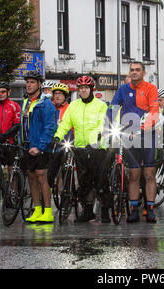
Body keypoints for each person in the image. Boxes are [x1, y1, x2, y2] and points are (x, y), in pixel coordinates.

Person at [106, 61, 160, 223]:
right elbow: (113, 109)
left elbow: (154, 110)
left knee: (149, 174)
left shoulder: (150, 88)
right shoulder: (123, 89)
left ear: (143, 73)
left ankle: (150, 209)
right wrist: (106, 128)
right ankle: (133, 209)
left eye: (137, 70)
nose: (134, 72)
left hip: (148, 136)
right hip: (129, 136)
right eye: (132, 70)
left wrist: (142, 129)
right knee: (134, 175)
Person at [53, 76, 111, 223]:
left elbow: (102, 124)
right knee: (85, 182)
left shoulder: (100, 105)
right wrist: (58, 136)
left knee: (100, 181)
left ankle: (105, 211)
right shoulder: (73, 106)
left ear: (92, 89)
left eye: (86, 88)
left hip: (97, 147)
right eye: (81, 88)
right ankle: (87, 211)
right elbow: (65, 123)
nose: (83, 90)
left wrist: (96, 139)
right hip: (79, 148)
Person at [20, 71, 58, 223]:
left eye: (32, 82)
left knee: (42, 177)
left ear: (39, 85)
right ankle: (36, 210)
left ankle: (47, 211)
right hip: (27, 146)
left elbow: (50, 127)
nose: (29, 85)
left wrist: (40, 146)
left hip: (41, 147)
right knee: (31, 177)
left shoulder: (46, 103)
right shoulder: (25, 102)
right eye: (27, 82)